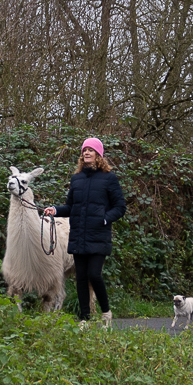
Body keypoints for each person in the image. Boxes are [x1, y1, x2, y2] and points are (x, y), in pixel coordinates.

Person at [43, 137, 127, 328]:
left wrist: (104, 219)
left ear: (98, 154)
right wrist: (55, 210)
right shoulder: (77, 178)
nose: (86, 152)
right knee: (80, 278)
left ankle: (106, 313)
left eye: (90, 150)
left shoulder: (109, 178)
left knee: (94, 275)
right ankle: (84, 319)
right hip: (78, 235)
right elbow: (70, 207)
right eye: (84, 150)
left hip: (98, 236)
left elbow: (120, 207)